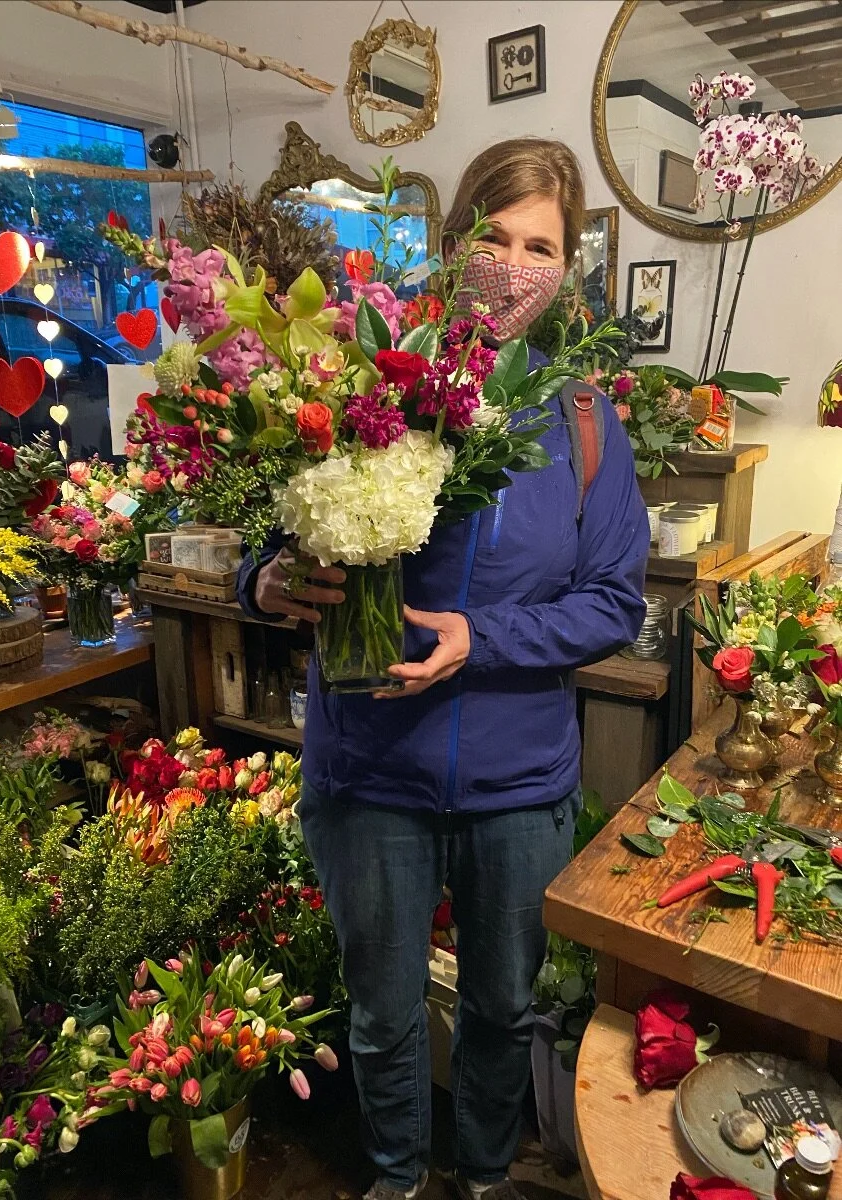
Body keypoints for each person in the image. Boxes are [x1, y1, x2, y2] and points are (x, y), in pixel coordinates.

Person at [237, 137, 649, 1200]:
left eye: (541, 246)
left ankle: (479, 1177)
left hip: (518, 785)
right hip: (371, 767)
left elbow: (612, 600)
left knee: (503, 1008)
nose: (514, 266)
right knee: (378, 1008)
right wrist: (268, 583)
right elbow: (271, 531)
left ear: (569, 268)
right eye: (496, 238)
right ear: (456, 237)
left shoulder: (582, 422)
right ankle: (391, 1179)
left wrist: (483, 640)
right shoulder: (365, 373)